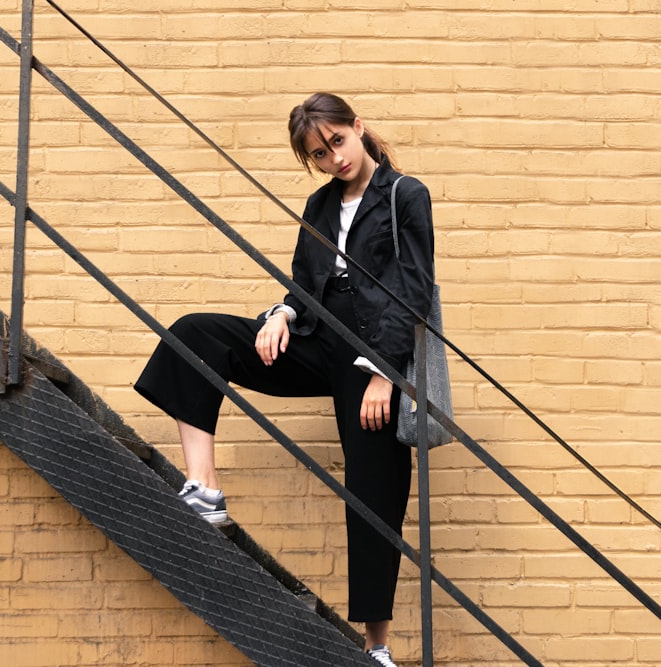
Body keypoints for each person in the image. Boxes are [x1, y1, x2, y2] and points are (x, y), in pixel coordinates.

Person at [134, 92, 436, 666]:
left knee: (374, 486)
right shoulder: (320, 206)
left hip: (372, 352)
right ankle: (205, 487)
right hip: (317, 340)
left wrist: (384, 375)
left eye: (338, 143)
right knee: (195, 334)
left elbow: (414, 290)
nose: (334, 160)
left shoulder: (403, 194)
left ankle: (376, 648)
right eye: (320, 154)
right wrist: (280, 315)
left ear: (358, 127)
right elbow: (302, 283)